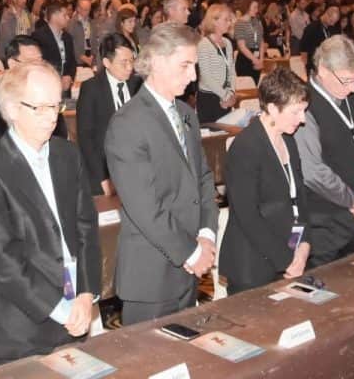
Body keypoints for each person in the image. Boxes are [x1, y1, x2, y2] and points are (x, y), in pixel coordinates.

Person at [0, 60, 101, 367]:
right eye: (39, 108)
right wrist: (61, 310)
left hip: (74, 312)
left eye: (55, 106)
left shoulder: (67, 154)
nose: (51, 117)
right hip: (20, 328)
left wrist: (86, 293)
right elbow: (1, 259)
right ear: (12, 109)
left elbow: (86, 227)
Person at [103, 23, 218, 325]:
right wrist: (191, 253)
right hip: (152, 276)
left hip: (189, 264)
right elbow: (145, 208)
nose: (193, 76)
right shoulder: (128, 123)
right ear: (156, 61)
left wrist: (206, 234)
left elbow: (204, 178)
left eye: (194, 66)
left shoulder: (186, 114)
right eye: (185, 65)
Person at [219, 68, 314, 294]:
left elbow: (299, 198)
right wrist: (286, 259)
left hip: (288, 253)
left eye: (304, 111)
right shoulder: (246, 147)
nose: (302, 119)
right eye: (296, 112)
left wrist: (304, 245)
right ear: (272, 108)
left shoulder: (288, 140)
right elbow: (247, 216)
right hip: (253, 265)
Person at [293, 35, 354, 267]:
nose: (352, 88)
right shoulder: (302, 106)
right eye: (346, 80)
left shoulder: (353, 100)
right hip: (321, 227)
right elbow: (312, 171)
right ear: (323, 69)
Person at [76, 33, 141, 196]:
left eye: (132, 60)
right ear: (107, 62)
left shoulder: (138, 84)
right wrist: (102, 177)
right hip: (105, 171)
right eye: (123, 62)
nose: (130, 67)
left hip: (137, 168)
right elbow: (85, 138)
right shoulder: (91, 88)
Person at [195, 3, 238, 125]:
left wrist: (231, 93)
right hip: (209, 97)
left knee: (225, 133)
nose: (229, 23)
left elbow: (232, 71)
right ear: (214, 21)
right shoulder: (204, 44)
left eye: (229, 20)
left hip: (226, 96)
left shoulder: (227, 43)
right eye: (226, 20)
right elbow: (206, 76)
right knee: (210, 134)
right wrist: (225, 96)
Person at [31, 2, 77, 99]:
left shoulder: (67, 37)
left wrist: (69, 76)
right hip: (46, 86)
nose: (68, 18)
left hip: (65, 86)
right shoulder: (39, 36)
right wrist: (57, 79)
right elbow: (39, 63)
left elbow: (72, 61)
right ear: (54, 16)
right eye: (64, 15)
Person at [299, 4, 341, 74]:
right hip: (313, 66)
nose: (332, 24)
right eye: (331, 21)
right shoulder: (311, 28)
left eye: (334, 22)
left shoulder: (331, 28)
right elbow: (303, 51)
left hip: (327, 65)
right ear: (327, 15)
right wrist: (307, 68)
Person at [232, 0, 265, 85]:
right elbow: (242, 47)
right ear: (247, 7)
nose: (256, 10)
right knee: (246, 87)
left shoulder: (257, 22)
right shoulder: (240, 23)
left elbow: (261, 42)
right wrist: (255, 60)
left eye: (257, 7)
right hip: (245, 59)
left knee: (255, 86)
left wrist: (261, 59)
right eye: (254, 7)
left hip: (257, 56)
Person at [66, 0, 94, 69]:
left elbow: (94, 41)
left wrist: (92, 55)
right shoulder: (71, 23)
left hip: (90, 56)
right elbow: (70, 43)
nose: (87, 12)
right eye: (85, 9)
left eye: (89, 9)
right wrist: (82, 57)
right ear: (78, 9)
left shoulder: (92, 22)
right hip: (77, 59)